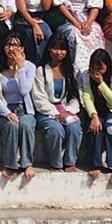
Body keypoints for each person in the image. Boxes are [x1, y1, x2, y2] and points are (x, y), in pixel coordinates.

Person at [31, 37, 84, 172]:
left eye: (62, 49)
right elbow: (39, 97)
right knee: (55, 130)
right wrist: (55, 113)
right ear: (49, 49)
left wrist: (69, 111)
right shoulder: (41, 70)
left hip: (67, 109)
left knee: (75, 128)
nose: (58, 52)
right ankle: (55, 163)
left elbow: (75, 95)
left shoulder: (73, 70)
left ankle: (70, 161)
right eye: (55, 48)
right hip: (46, 111)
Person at [0, 35, 37, 178]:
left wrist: (20, 67)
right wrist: (6, 112)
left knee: (26, 125)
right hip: (6, 107)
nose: (11, 49)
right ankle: (9, 164)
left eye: (16, 45)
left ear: (22, 49)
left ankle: (27, 163)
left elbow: (24, 90)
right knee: (12, 126)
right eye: (8, 45)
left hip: (24, 108)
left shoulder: (29, 67)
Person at [80, 48, 112, 180]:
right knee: (96, 129)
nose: (96, 72)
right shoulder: (85, 75)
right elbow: (87, 98)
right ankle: (96, 164)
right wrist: (94, 117)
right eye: (93, 67)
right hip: (96, 112)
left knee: (111, 127)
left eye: (100, 68)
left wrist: (101, 83)